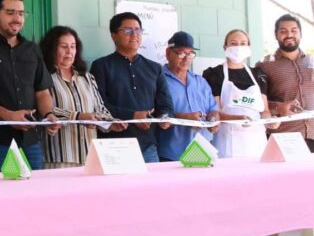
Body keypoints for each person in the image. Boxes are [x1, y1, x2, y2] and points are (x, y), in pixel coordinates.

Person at [0, 0, 60, 172]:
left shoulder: (32, 50)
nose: (17, 18)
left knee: (35, 195)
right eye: (10, 13)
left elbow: (42, 92)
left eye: (21, 13)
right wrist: (8, 116)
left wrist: (48, 114)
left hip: (31, 140)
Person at [90, 12, 174, 163]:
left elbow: (165, 104)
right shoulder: (101, 66)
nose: (134, 35)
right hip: (114, 145)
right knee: (117, 187)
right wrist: (134, 115)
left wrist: (164, 118)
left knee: (150, 187)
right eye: (128, 31)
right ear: (114, 36)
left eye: (138, 30)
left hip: (148, 145)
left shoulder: (155, 68)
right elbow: (99, 105)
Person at [39, 26, 126, 167]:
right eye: (63, 47)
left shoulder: (86, 77)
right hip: (59, 157)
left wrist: (110, 123)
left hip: (90, 157)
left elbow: (100, 109)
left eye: (73, 47)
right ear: (51, 48)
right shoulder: (44, 76)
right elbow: (46, 111)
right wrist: (79, 116)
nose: (69, 52)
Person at [256, 14, 314, 153]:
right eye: (283, 31)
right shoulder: (265, 65)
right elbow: (257, 102)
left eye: (294, 30)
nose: (289, 35)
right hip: (282, 137)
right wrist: (278, 107)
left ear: (300, 34)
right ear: (276, 35)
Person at [203, 29, 277, 158]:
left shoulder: (258, 74)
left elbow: (264, 111)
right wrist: (236, 119)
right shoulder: (214, 74)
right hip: (227, 140)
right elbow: (215, 112)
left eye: (243, 43)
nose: (238, 47)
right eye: (233, 43)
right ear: (225, 47)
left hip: (256, 141)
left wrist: (271, 121)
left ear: (248, 47)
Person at [157, 31, 220, 162]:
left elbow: (213, 108)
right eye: (181, 53)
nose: (186, 58)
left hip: (203, 152)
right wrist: (185, 118)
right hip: (171, 154)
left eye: (190, 53)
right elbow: (153, 113)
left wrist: (213, 119)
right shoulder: (157, 79)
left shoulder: (200, 81)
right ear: (168, 53)